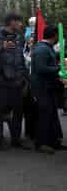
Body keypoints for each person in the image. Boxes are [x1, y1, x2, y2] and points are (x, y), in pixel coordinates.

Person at [0, 13, 29, 150]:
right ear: (12, 22)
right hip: (1, 81)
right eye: (19, 22)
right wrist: (2, 48)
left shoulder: (18, 37)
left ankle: (16, 140)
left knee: (18, 111)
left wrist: (23, 76)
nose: (21, 25)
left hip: (16, 81)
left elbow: (20, 57)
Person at [31, 25, 66, 154]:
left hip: (48, 87)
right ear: (54, 35)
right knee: (44, 116)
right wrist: (59, 69)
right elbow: (41, 69)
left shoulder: (47, 48)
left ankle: (53, 141)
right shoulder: (41, 50)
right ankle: (41, 143)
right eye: (58, 35)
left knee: (52, 115)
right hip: (41, 88)